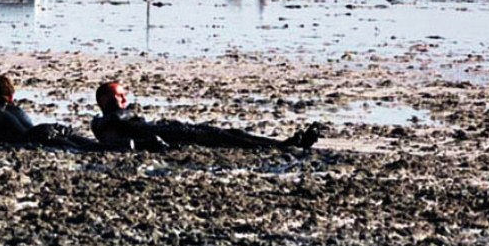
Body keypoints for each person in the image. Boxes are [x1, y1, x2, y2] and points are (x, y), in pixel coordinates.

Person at [92, 81, 320, 151]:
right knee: (226, 139)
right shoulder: (106, 121)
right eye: (118, 96)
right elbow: (114, 139)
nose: (124, 100)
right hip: (170, 136)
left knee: (229, 133)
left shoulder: (117, 117)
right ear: (104, 100)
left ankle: (282, 143)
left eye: (123, 96)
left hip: (172, 128)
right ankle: (281, 146)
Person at [0, 75, 101, 150]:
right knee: (89, 145)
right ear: (12, 97)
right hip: (43, 128)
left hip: (32, 137)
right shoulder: (17, 110)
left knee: (83, 149)